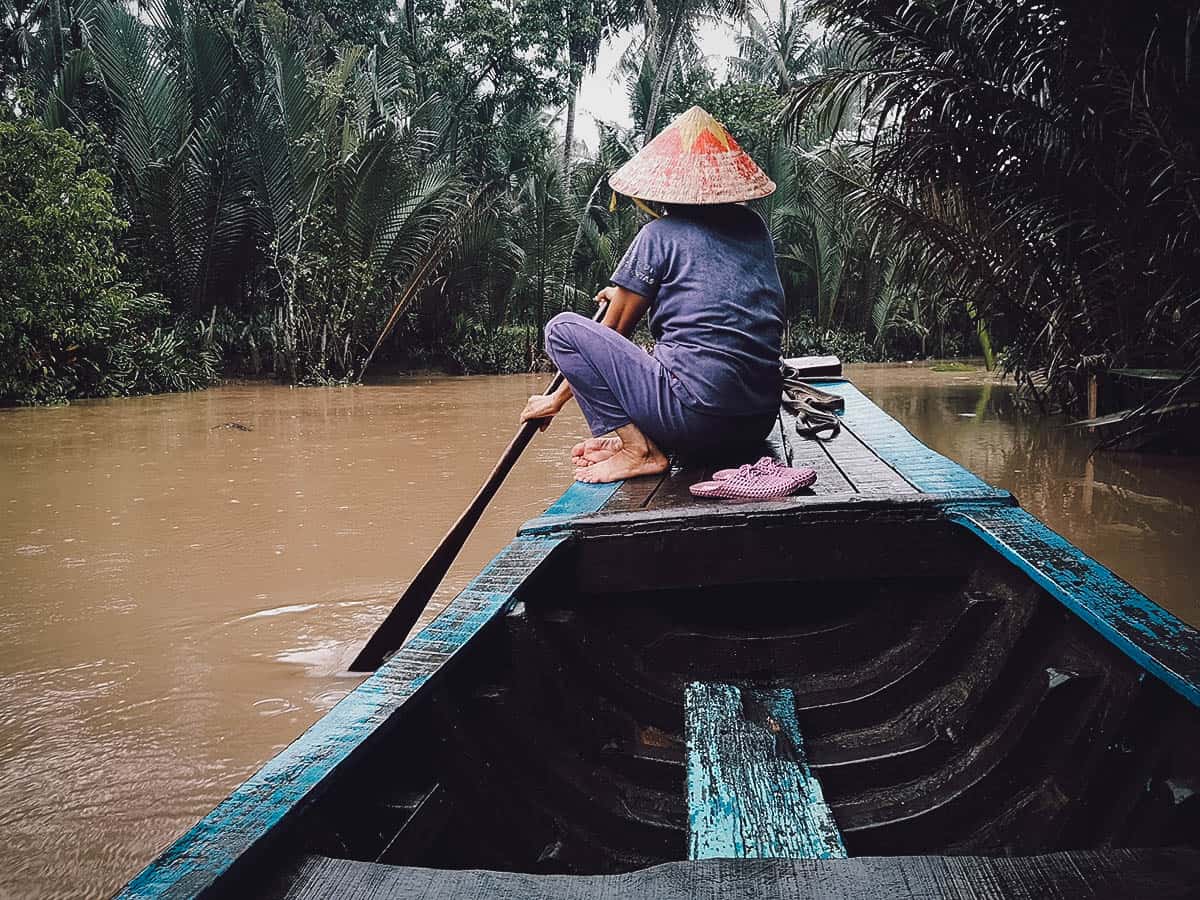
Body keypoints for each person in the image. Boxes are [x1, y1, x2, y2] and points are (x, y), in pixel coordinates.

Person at [519, 106, 785, 483]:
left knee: (561, 330)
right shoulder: (754, 229)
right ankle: (643, 438)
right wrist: (628, 290)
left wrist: (555, 400)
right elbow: (713, 289)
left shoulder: (658, 235)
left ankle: (637, 448)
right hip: (756, 422)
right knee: (677, 372)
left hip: (696, 417)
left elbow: (613, 329)